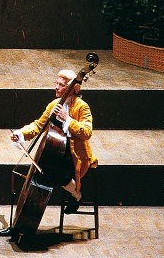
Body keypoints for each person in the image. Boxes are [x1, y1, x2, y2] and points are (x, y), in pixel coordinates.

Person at [8, 68, 97, 217]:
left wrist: (68, 119)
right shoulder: (54, 105)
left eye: (61, 85)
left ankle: (76, 194)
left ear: (72, 88)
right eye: (57, 83)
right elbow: (38, 125)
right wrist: (21, 133)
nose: (57, 87)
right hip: (57, 153)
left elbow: (87, 132)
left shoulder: (82, 106)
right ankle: (24, 219)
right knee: (45, 169)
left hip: (75, 157)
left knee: (50, 171)